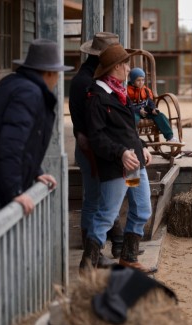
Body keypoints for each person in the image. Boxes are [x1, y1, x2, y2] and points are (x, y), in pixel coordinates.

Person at [83, 43, 157, 274]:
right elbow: (96, 137)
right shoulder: (97, 96)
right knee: (106, 215)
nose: (129, 68)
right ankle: (87, 266)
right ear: (115, 67)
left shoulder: (118, 93)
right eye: (125, 64)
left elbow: (126, 130)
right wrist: (121, 153)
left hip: (133, 165)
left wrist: (140, 145)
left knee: (142, 208)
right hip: (116, 167)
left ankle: (129, 257)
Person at [0, 38, 72, 215]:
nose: (58, 80)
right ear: (48, 73)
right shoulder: (29, 93)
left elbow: (26, 141)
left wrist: (36, 171)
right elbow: (11, 143)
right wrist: (15, 191)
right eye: (57, 73)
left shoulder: (13, 83)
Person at [69, 32, 123, 268]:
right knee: (94, 200)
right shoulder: (87, 81)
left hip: (93, 146)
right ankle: (92, 253)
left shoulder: (85, 77)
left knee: (98, 198)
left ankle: (98, 249)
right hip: (91, 148)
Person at [127, 68, 180, 143]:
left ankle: (169, 137)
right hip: (134, 111)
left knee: (160, 116)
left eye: (142, 80)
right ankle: (132, 139)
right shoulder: (127, 91)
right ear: (132, 81)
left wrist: (153, 109)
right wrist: (138, 111)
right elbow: (127, 105)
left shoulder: (145, 90)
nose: (141, 82)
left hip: (146, 110)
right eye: (138, 80)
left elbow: (150, 102)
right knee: (133, 119)